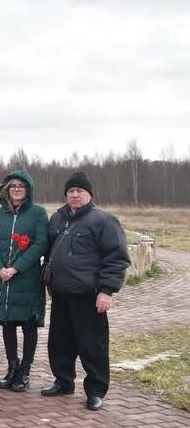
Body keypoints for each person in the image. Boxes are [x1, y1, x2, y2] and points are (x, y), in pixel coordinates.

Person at [42, 171, 130, 411]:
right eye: (71, 191)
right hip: (60, 292)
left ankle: (95, 391)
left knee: (92, 345)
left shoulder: (103, 220)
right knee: (59, 342)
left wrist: (107, 291)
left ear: (89, 194)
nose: (75, 195)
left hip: (89, 295)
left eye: (80, 190)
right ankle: (63, 381)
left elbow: (117, 258)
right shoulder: (58, 218)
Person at [0, 171, 49, 392]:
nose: (16, 189)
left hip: (26, 278)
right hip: (2, 277)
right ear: (6, 189)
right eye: (13, 185)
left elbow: (40, 243)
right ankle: (12, 367)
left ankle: (25, 369)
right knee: (8, 323)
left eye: (21, 186)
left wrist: (16, 267)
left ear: (28, 189)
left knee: (28, 325)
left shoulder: (39, 213)